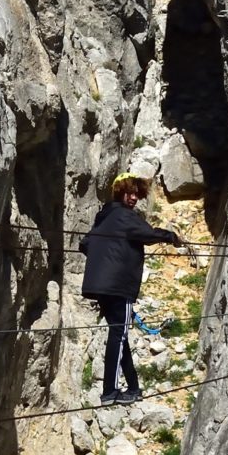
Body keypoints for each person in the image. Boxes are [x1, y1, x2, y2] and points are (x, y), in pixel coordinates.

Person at [79, 171, 184, 405]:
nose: (134, 198)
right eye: (130, 193)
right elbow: (147, 234)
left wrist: (104, 259)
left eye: (137, 194)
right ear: (120, 192)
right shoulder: (125, 216)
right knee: (119, 335)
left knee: (120, 335)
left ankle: (133, 387)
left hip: (100, 287)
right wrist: (171, 237)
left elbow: (85, 243)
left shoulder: (103, 217)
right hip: (119, 286)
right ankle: (109, 391)